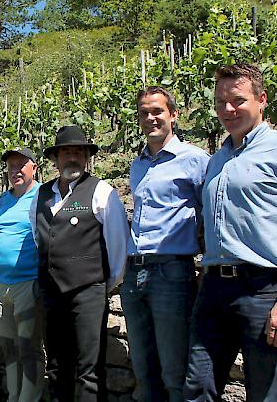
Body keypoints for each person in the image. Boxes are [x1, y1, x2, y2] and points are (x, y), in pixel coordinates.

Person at [184, 63, 277, 401]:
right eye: (220, 102)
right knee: (198, 388)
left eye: (238, 100)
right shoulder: (218, 159)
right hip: (213, 288)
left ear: (262, 99)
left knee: (266, 394)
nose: (228, 109)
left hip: (263, 289)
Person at [122, 87, 209, 402]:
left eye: (157, 111)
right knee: (143, 371)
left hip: (172, 271)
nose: (150, 118)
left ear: (173, 114)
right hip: (135, 272)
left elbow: (209, 215)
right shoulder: (138, 164)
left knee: (174, 372)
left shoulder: (195, 160)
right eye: (144, 113)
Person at [32, 125, 128, 401]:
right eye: (66, 152)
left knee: (89, 369)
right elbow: (40, 238)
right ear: (55, 158)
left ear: (86, 157)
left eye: (78, 152)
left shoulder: (101, 191)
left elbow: (117, 245)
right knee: (57, 364)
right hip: (52, 292)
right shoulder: (41, 194)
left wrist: (100, 286)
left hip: (88, 291)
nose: (72, 158)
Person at [0, 147, 45, 402]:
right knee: (8, 347)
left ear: (34, 167)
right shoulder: (3, 199)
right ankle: (13, 395)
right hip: (2, 285)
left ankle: (29, 397)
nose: (15, 170)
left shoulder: (43, 196)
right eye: (11, 166)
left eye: (21, 165)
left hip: (28, 283)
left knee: (29, 348)